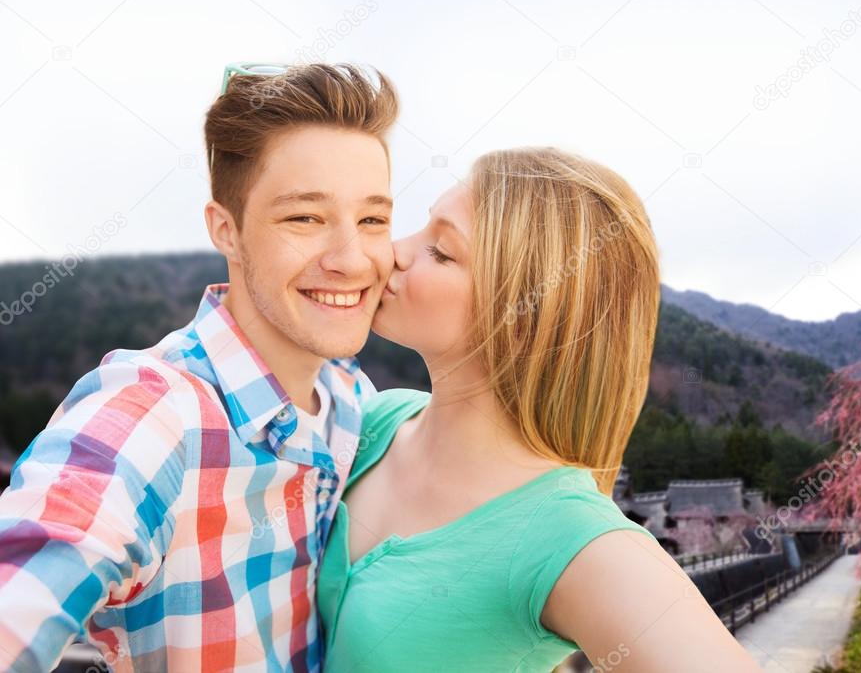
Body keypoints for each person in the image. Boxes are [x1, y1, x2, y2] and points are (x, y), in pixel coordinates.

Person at [0, 63, 397, 672]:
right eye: (305, 218)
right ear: (226, 231)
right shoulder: (155, 412)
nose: (352, 258)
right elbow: (35, 563)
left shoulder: (353, 400)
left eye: (373, 219)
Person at [317, 147, 761, 671]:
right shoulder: (373, 421)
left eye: (441, 250)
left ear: (525, 315)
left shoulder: (570, 536)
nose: (393, 252)